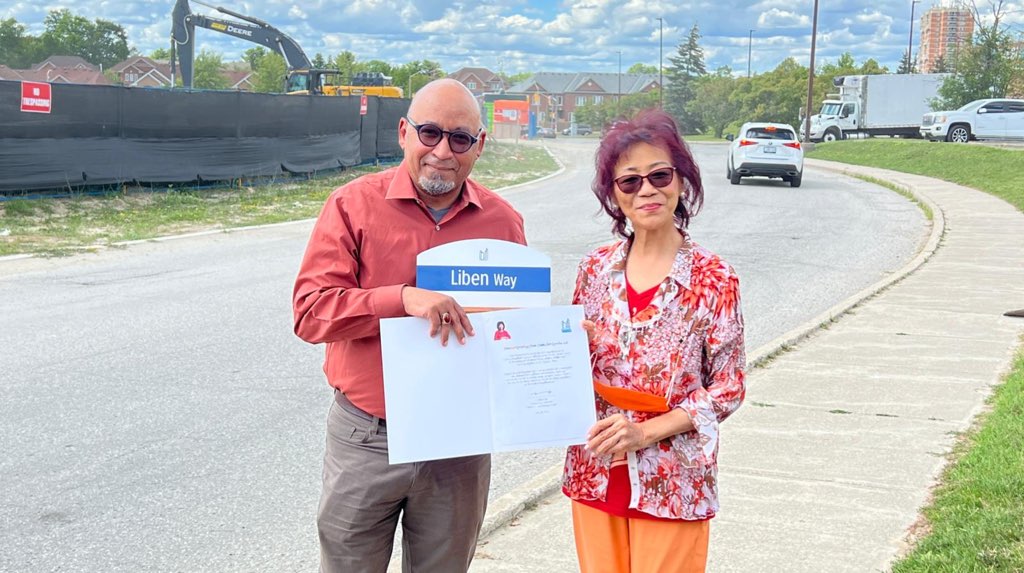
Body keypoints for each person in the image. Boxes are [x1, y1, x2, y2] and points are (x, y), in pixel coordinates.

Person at [292, 78, 526, 573]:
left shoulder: (503, 224)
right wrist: (401, 299)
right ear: (403, 132)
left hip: (458, 443)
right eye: (430, 133)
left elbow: (513, 331)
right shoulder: (352, 205)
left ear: (479, 146)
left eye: (460, 138)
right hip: (369, 438)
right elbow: (311, 312)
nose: (443, 151)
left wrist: (559, 346)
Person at [562, 110, 746, 572]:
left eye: (660, 175)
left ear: (681, 181)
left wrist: (644, 432)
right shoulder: (593, 269)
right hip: (595, 468)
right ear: (614, 195)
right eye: (629, 182)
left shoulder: (714, 278)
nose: (647, 190)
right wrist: (563, 347)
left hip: (674, 476)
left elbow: (729, 387)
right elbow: (567, 364)